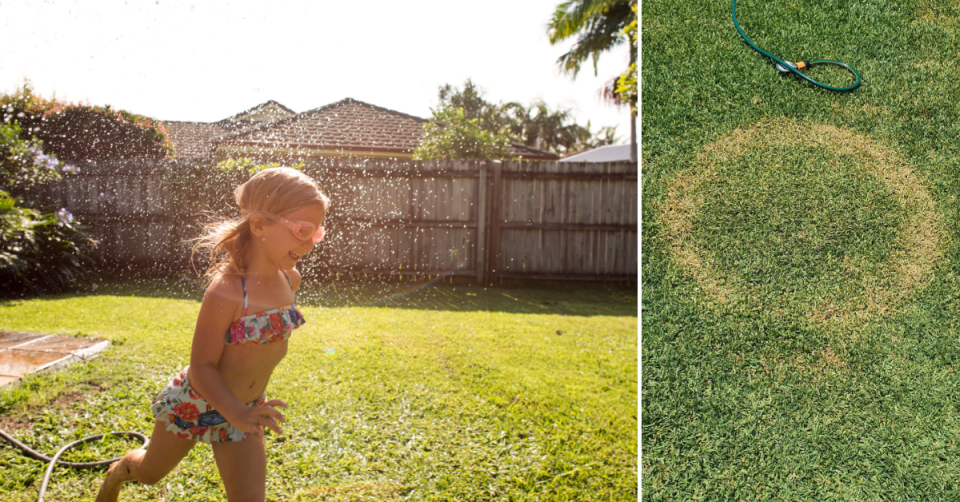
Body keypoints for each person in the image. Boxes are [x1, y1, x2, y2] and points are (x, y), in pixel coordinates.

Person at [97, 167, 330, 502]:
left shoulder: (289, 279)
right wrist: (232, 409)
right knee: (150, 473)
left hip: (246, 410)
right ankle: (118, 471)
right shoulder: (229, 289)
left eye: (316, 233)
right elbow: (202, 365)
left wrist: (241, 410)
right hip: (196, 402)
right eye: (302, 230)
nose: (309, 243)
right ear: (260, 224)